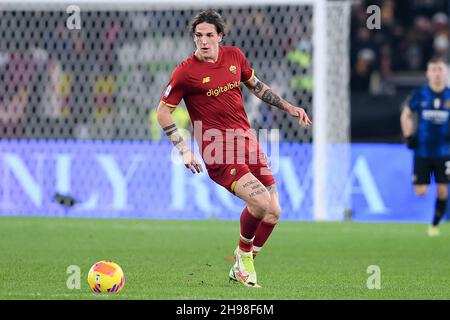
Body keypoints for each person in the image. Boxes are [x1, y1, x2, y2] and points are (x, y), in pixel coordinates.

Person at [156, 10, 311, 288]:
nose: (203, 41)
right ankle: (243, 258)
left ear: (220, 36)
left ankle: (242, 259)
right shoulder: (185, 72)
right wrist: (183, 149)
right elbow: (162, 113)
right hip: (217, 149)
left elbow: (257, 87)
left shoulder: (234, 57)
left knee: (274, 212)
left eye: (209, 35)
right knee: (260, 202)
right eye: (198, 36)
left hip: (248, 142)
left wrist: (289, 107)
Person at [400, 56, 450, 237]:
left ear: (446, 72)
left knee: (443, 188)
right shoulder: (420, 94)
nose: (437, 73)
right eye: (434, 70)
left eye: (440, 69)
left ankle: (435, 223)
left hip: (445, 152)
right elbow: (405, 115)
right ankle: (435, 217)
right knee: (421, 191)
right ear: (428, 73)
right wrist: (408, 136)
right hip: (422, 151)